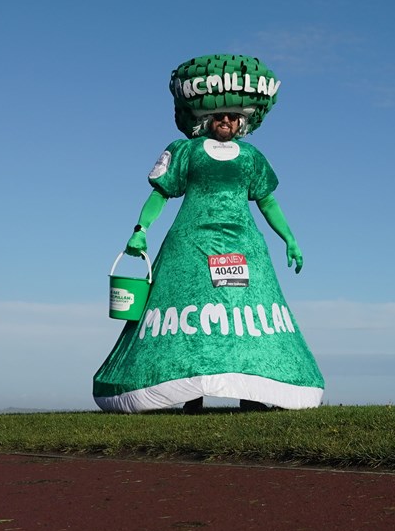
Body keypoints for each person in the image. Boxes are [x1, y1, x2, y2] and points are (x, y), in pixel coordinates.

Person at [92, 54, 323, 412]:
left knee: (246, 314)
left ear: (241, 120)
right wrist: (140, 230)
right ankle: (190, 397)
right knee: (189, 311)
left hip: (244, 243)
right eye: (220, 116)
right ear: (207, 119)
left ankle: (254, 395)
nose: (226, 121)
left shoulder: (252, 157)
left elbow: (268, 202)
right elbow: (161, 193)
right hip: (191, 242)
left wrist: (289, 238)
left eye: (232, 117)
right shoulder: (184, 150)